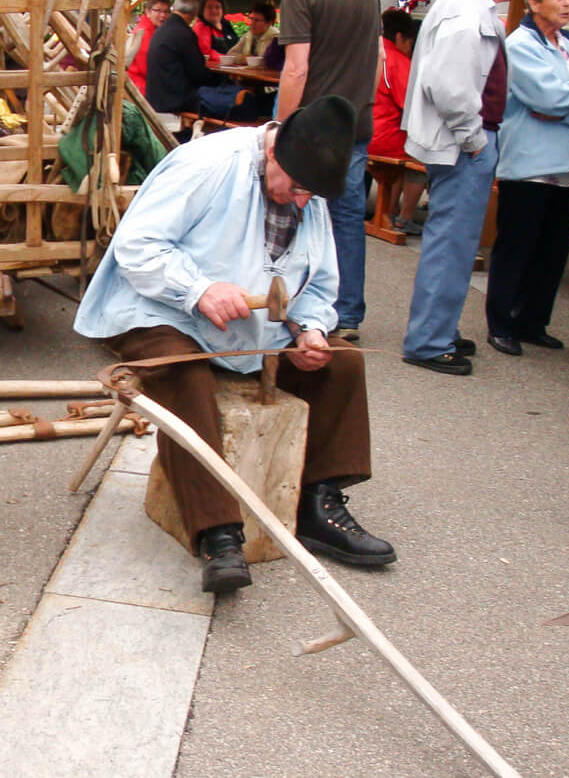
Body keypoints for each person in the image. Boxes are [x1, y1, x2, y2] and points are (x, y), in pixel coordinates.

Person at [74, 96, 395, 594]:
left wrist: (307, 330)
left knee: (340, 362)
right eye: (298, 188)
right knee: (183, 371)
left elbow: (318, 284)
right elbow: (138, 246)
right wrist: (198, 288)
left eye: (313, 195)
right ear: (275, 154)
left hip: (255, 329)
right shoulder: (208, 164)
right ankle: (218, 533)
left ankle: (317, 502)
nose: (303, 202)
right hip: (157, 308)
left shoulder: (306, 189)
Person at [399, 0, 531, 376]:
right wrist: (474, 139)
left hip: (462, 142)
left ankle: (438, 330)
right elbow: (449, 86)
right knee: (451, 243)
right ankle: (430, 340)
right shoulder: (466, 10)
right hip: (462, 144)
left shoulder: (468, 4)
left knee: (453, 241)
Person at [268, 0, 382, 343]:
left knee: (294, 213)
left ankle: (299, 307)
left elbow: (296, 69)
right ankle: (347, 312)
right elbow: (377, 56)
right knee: (348, 218)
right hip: (354, 123)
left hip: (312, 130)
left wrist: (280, 128)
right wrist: (360, 107)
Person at [484, 0, 569, 358]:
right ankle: (502, 322)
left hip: (568, 164)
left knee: (553, 250)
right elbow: (549, 99)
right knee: (517, 246)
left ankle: (534, 321)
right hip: (530, 164)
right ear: (534, 3)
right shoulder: (520, 45)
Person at [368, 8, 424, 234]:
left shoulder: (367, 52)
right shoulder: (398, 61)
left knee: (406, 146)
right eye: (410, 42)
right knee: (422, 153)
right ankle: (403, 217)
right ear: (400, 37)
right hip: (383, 137)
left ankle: (387, 211)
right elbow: (408, 105)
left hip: (361, 130)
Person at [144, 0, 213, 118]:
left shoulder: (161, 30)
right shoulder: (184, 34)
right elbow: (198, 74)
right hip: (175, 101)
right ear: (195, 13)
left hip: (155, 98)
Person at [125, 0, 171, 96]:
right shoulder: (143, 33)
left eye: (166, 11)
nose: (163, 15)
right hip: (139, 87)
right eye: (158, 10)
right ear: (148, 12)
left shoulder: (156, 31)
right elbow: (148, 69)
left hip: (146, 83)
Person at [193, 0, 239, 64]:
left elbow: (237, 45)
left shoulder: (226, 24)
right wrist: (230, 59)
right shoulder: (201, 27)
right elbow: (206, 52)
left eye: (217, 7)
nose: (214, 10)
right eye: (209, 7)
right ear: (202, 10)